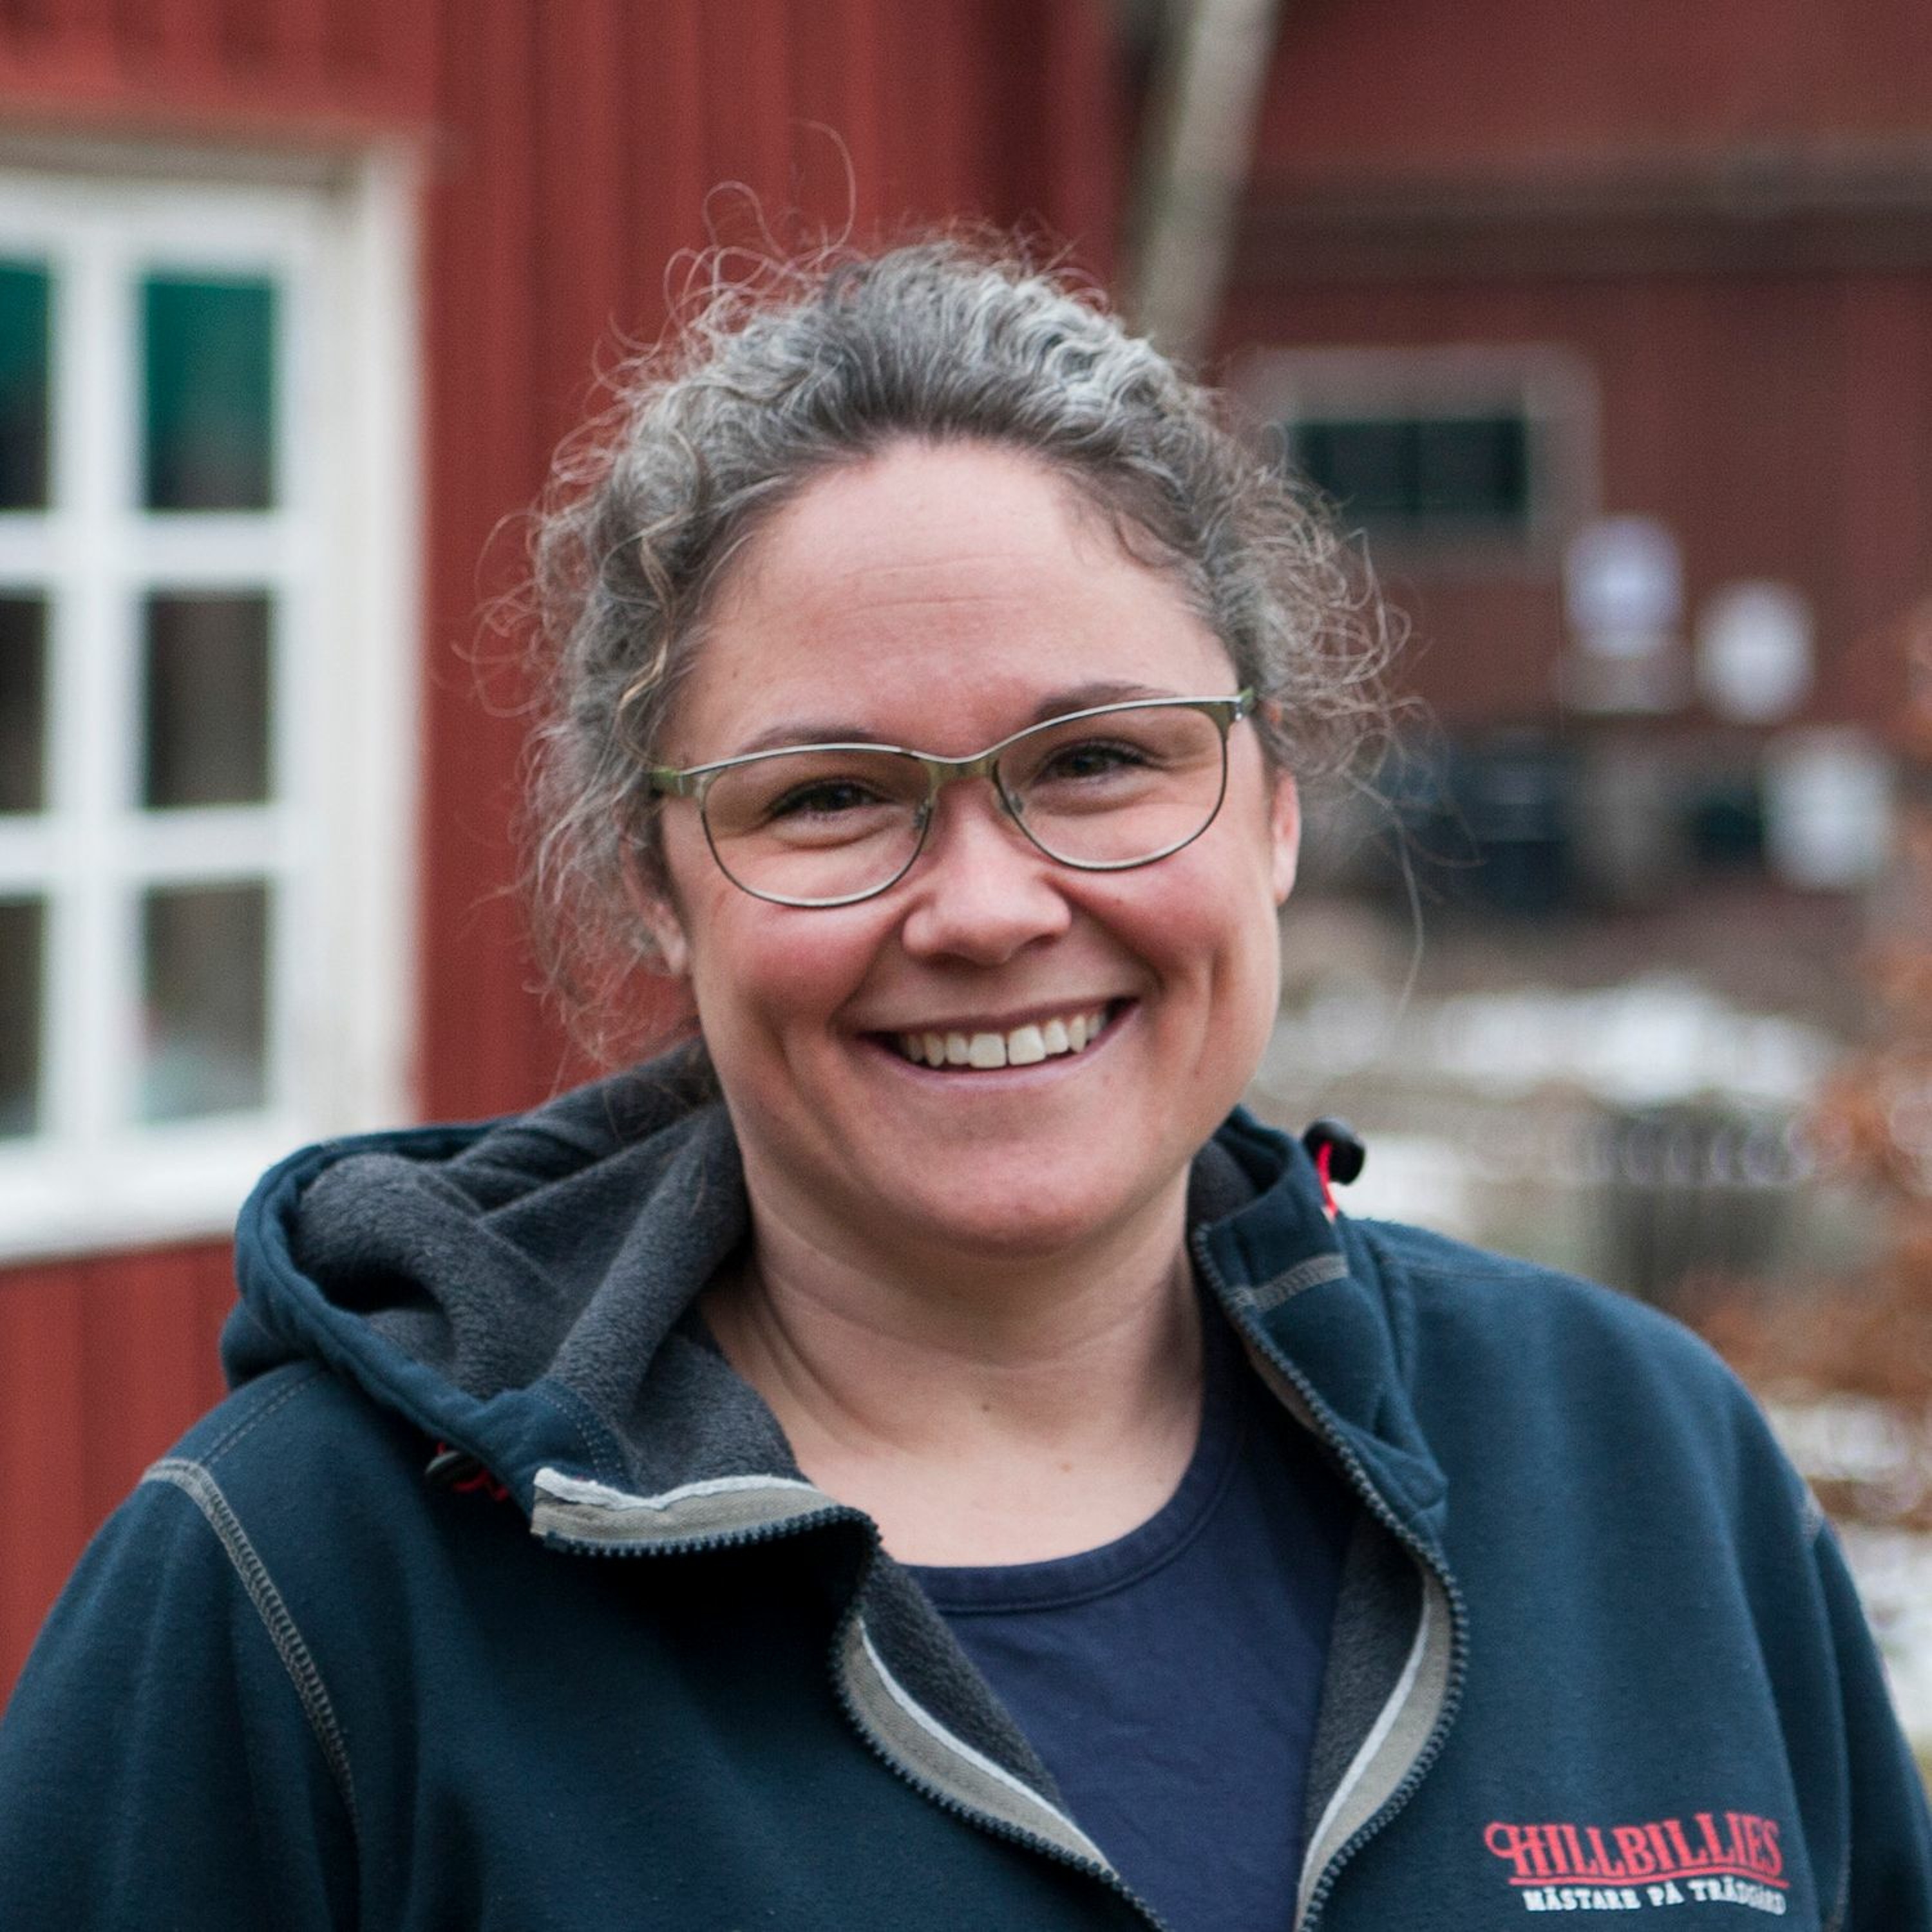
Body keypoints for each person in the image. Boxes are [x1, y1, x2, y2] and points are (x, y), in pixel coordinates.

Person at [1, 238, 1927, 1932]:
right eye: (830, 798)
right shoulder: (306, 1599)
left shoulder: (1639, 1475)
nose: (991, 909)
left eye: (1098, 761)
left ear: (1274, 806)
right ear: (660, 886)